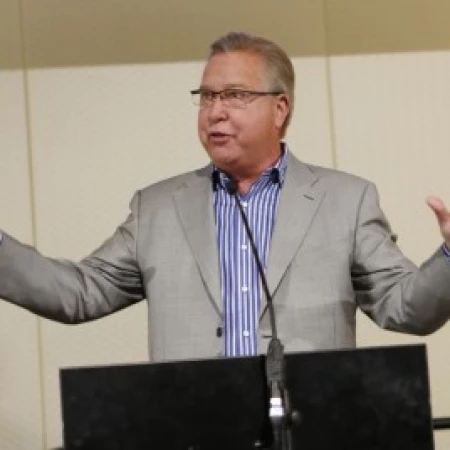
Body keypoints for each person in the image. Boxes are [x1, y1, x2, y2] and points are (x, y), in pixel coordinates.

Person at [1, 32, 450, 361]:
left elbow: (406, 309)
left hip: (311, 429)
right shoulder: (157, 208)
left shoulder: (345, 201)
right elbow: (79, 293)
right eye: (207, 96)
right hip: (196, 431)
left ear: (280, 108)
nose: (215, 111)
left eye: (234, 95)